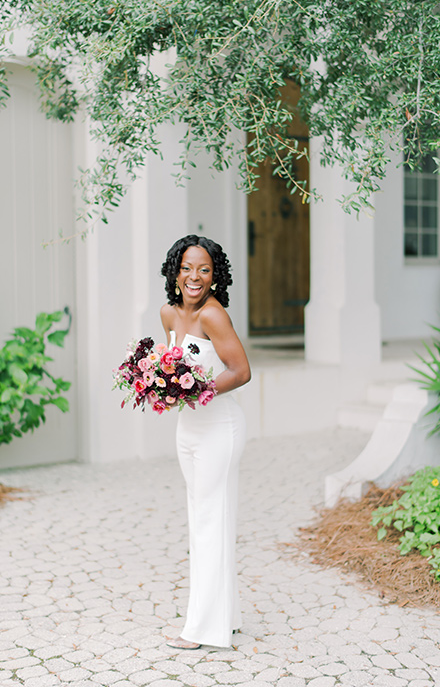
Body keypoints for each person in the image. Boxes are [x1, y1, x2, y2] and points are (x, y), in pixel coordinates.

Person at [160, 234, 251, 650]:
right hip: (189, 429)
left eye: (204, 270)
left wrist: (197, 392)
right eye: (187, 268)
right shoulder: (168, 314)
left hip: (219, 429)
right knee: (203, 519)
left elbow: (240, 370)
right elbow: (173, 366)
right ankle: (224, 619)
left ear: (215, 276)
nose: (194, 277)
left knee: (211, 522)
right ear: (175, 272)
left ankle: (199, 631)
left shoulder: (214, 315)